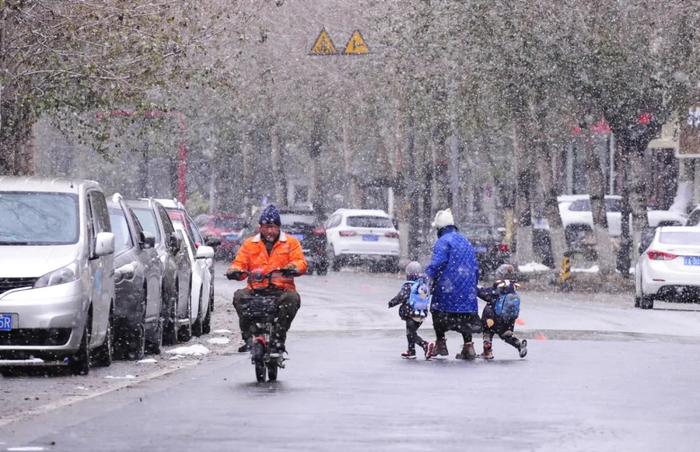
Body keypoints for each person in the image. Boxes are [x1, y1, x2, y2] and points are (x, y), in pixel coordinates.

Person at [226, 204, 307, 354]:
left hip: (281, 291)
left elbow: (300, 262)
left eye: (273, 226)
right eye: (266, 226)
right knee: (239, 297)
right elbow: (240, 264)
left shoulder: (291, 243)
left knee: (292, 299)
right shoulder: (249, 244)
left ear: (279, 227)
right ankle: (250, 337)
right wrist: (235, 271)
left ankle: (278, 338)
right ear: (260, 227)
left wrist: (292, 268)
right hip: (255, 290)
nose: (269, 231)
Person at [424, 208, 481, 360]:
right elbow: (475, 267)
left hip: (447, 287)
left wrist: (426, 277)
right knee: (465, 317)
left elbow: (437, 264)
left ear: (440, 228)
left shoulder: (443, 242)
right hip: (467, 288)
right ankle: (468, 347)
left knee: (438, 311)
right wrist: (473, 284)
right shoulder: (465, 241)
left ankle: (441, 344)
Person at [477, 264, 528, 359]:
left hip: (493, 318)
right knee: (506, 334)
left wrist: (476, 288)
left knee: (487, 331)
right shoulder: (513, 288)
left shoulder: (498, 287)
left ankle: (487, 352)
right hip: (508, 319)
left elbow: (484, 294)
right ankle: (519, 345)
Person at [388, 261, 431, 360]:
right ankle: (411, 351)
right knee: (411, 333)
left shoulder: (408, 286)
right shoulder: (422, 286)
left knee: (410, 334)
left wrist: (392, 303)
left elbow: (401, 297)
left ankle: (425, 345)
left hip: (410, 314)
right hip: (421, 314)